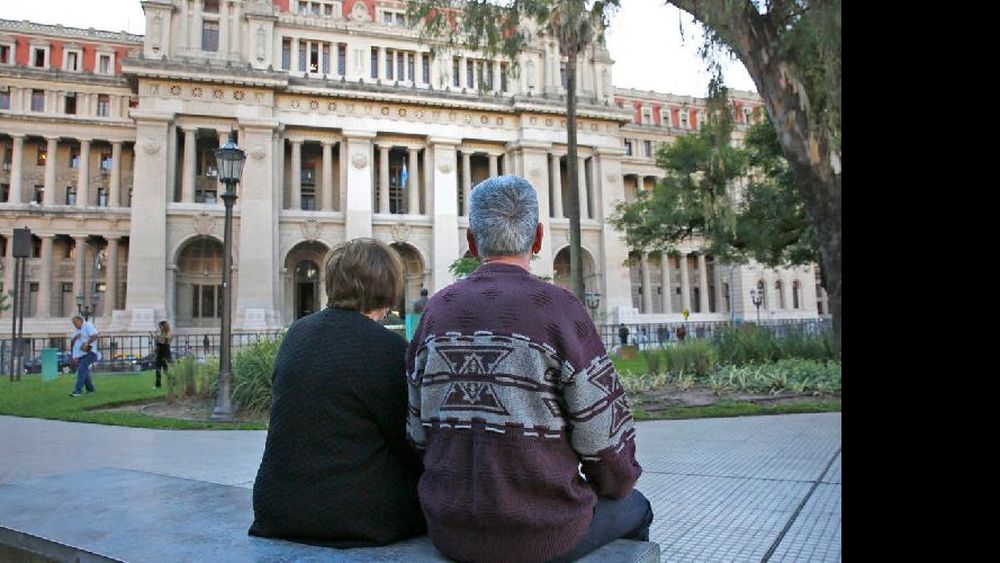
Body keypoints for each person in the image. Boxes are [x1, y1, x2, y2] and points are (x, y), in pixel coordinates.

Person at [406, 175, 651, 563]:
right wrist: (616, 481)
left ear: (472, 242)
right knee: (637, 507)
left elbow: (418, 433)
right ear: (538, 238)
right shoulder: (559, 309)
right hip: (542, 533)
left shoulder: (436, 311)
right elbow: (603, 440)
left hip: (449, 528)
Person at [249, 238, 425, 547]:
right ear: (387, 286)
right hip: (357, 515)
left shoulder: (298, 334)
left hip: (277, 507)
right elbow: (408, 442)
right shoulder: (389, 350)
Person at [68, 315, 100, 397]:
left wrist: (87, 344)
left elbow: (95, 335)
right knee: (84, 371)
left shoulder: (87, 325)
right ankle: (90, 389)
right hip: (81, 354)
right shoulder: (77, 330)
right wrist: (75, 357)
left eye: (76, 322)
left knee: (82, 369)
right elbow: (74, 343)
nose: (75, 325)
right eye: (73, 323)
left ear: (80, 321)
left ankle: (77, 391)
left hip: (90, 352)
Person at [152, 320, 172, 389]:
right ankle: (158, 385)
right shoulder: (160, 333)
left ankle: (172, 382)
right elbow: (159, 343)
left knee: (166, 371)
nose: (159, 328)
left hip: (166, 353)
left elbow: (166, 340)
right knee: (158, 370)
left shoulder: (168, 333)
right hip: (160, 353)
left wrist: (158, 337)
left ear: (164, 326)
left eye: (160, 326)